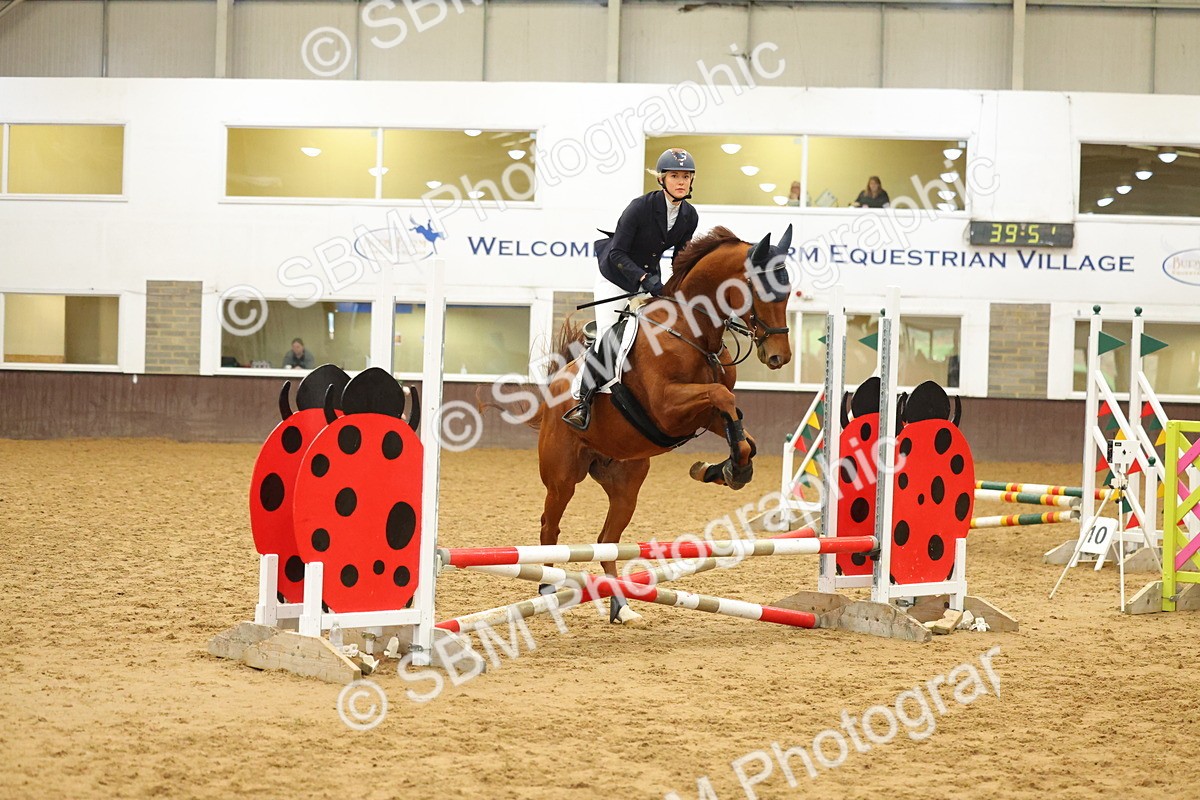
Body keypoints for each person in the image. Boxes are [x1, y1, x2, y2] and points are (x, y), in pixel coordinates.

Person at [561, 148, 700, 431]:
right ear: (661, 179)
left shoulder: (689, 215)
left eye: (686, 176)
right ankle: (582, 401)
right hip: (615, 276)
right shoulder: (640, 207)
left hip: (649, 278)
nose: (681, 182)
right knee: (609, 337)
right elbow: (617, 254)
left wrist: (679, 286)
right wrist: (644, 281)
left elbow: (679, 257)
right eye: (675, 176)